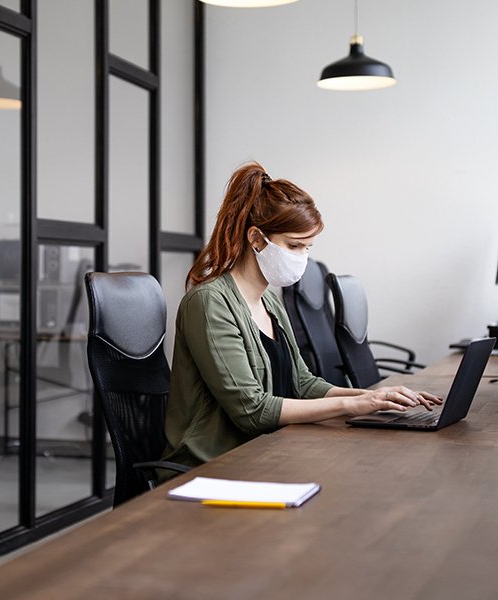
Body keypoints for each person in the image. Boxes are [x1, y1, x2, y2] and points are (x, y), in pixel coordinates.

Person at [161, 162, 441, 470]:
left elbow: (302, 382)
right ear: (256, 239)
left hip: (266, 452)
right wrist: (352, 405)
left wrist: (373, 397)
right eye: (294, 245)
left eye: (307, 248)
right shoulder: (209, 302)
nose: (301, 259)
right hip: (214, 465)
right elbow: (252, 410)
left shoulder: (269, 299)